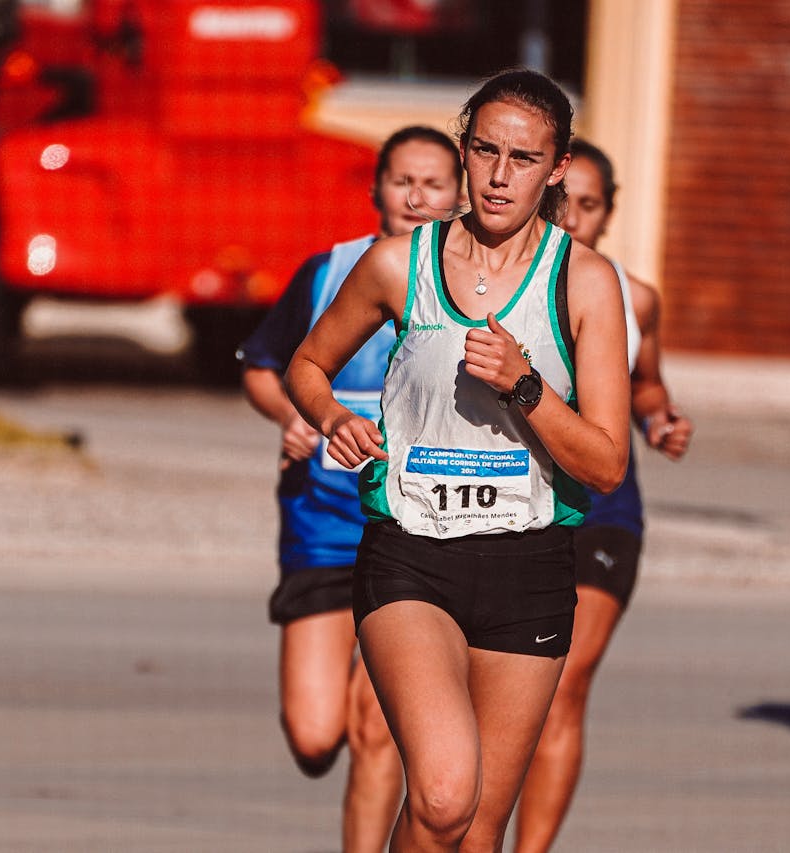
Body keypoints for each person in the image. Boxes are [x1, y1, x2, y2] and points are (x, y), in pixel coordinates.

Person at [286, 69, 631, 852]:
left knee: (476, 833)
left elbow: (606, 464)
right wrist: (334, 415)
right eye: (485, 150)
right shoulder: (397, 263)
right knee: (442, 796)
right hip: (412, 556)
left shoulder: (585, 283)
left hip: (530, 566)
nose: (501, 175)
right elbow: (307, 365)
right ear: (464, 149)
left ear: (559, 168)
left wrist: (524, 384)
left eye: (525, 158)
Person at [238, 125, 463, 852]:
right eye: (404, 181)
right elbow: (264, 367)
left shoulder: (475, 284)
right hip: (324, 525)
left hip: (417, 534)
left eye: (434, 183)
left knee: (378, 728)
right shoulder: (330, 272)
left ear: (457, 195)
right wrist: (293, 418)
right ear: (377, 191)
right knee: (315, 734)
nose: (418, 196)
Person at [512, 139, 692, 852]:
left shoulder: (635, 296)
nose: (574, 216)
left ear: (608, 214)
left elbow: (645, 380)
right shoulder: (500, 280)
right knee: (503, 687)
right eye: (564, 201)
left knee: (566, 680)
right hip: (513, 501)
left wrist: (660, 420)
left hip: (603, 510)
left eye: (590, 204)